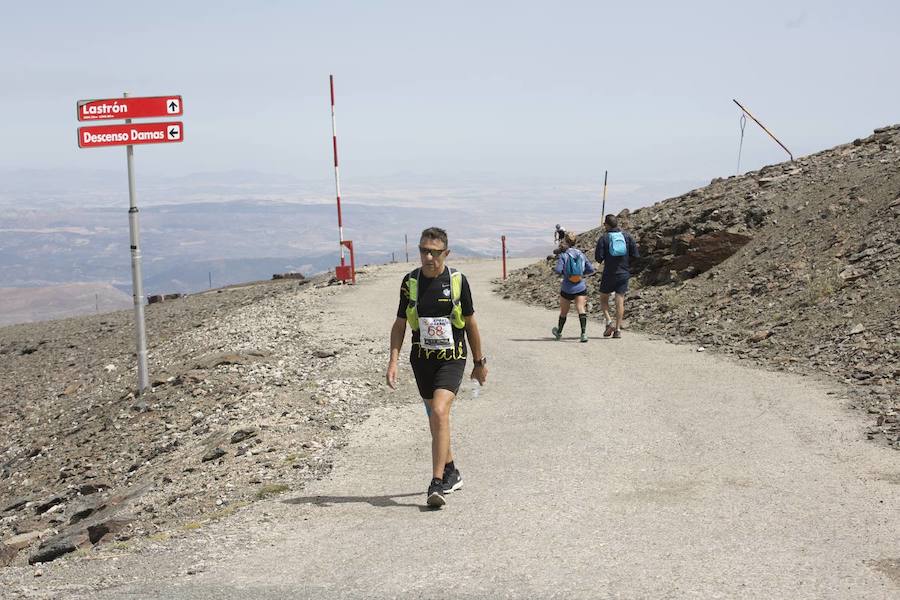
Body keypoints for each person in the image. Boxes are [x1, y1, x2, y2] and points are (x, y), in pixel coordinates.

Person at [386, 227, 488, 508]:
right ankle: (452, 470)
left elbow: (470, 323)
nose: (428, 256)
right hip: (421, 360)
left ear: (446, 253)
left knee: (440, 411)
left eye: (434, 251)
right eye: (423, 250)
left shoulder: (457, 281)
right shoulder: (410, 282)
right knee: (436, 418)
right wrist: (393, 360)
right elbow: (399, 324)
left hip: (452, 358)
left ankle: (437, 482)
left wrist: (479, 363)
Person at [594, 214, 639, 338]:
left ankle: (609, 322)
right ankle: (618, 330)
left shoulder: (604, 238)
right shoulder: (627, 236)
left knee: (603, 298)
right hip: (623, 273)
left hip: (609, 273)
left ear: (606, 225)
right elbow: (635, 255)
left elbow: (598, 258)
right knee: (620, 301)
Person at [552, 231, 596, 343]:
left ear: (566, 241)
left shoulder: (564, 255)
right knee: (581, 309)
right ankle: (583, 334)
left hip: (567, 287)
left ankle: (559, 332)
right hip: (580, 287)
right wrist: (580, 274)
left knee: (564, 312)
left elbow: (558, 270)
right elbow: (591, 269)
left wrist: (565, 274)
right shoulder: (581, 254)